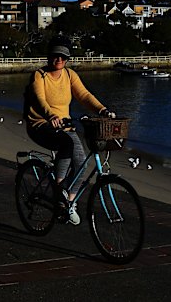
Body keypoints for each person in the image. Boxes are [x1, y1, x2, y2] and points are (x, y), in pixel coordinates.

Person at [25, 37, 115, 226]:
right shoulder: (39, 76)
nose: (59, 60)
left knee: (81, 164)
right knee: (65, 144)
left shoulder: (69, 75)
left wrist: (102, 110)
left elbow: (84, 95)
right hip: (41, 125)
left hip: (64, 125)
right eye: (56, 55)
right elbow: (40, 100)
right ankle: (59, 190)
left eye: (63, 57)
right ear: (49, 56)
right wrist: (50, 115)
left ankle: (68, 202)